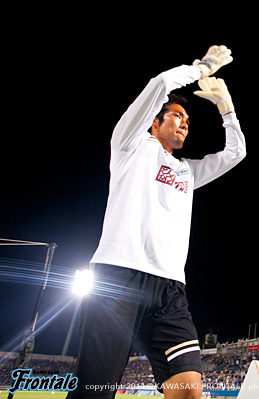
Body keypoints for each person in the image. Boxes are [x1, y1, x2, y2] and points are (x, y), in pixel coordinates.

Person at [67, 45, 246, 399]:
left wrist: (226, 107)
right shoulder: (130, 145)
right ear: (154, 121)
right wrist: (203, 67)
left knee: (189, 391)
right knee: (95, 391)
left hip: (169, 290)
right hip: (119, 276)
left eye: (188, 121)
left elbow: (236, 152)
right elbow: (162, 82)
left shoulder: (188, 171)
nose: (184, 123)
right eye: (177, 116)